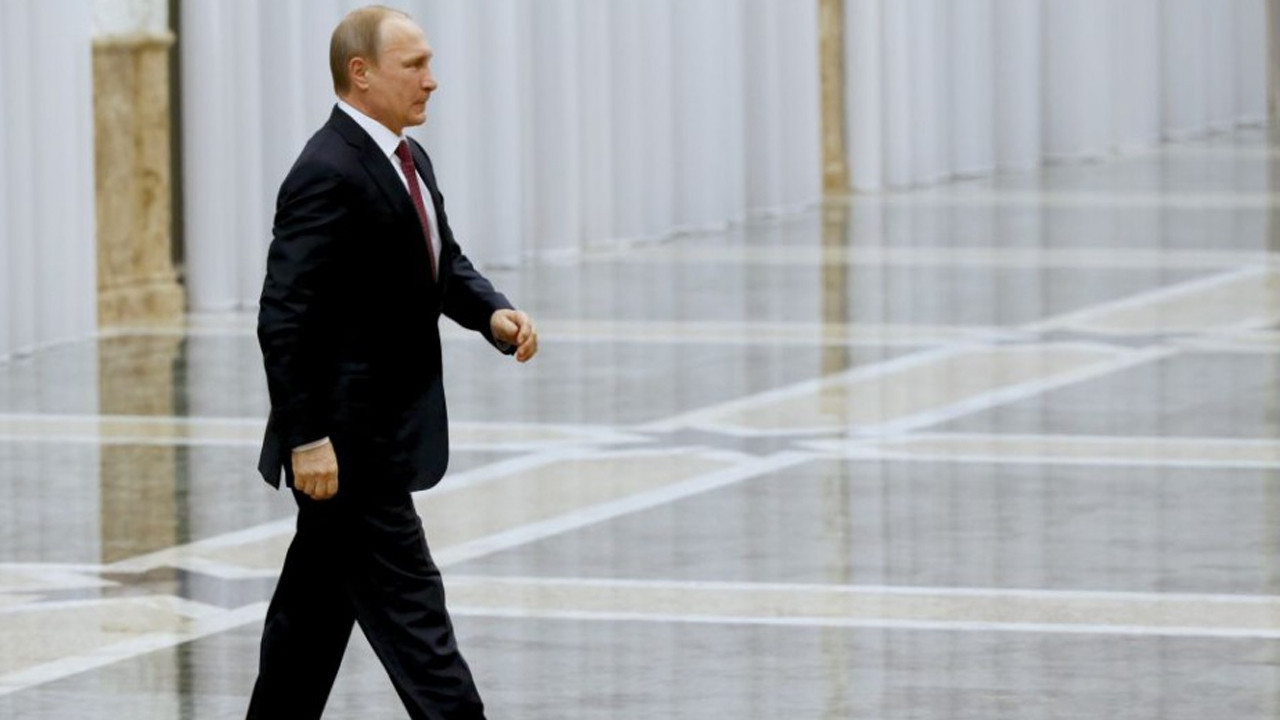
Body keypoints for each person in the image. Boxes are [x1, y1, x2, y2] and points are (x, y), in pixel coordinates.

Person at [247, 6, 537, 719]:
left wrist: (491, 314)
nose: (431, 80)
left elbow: (440, 263)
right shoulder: (326, 170)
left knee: (307, 630)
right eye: (415, 65)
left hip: (379, 436)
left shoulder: (407, 158)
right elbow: (283, 318)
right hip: (350, 449)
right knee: (419, 627)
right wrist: (306, 438)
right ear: (361, 73)